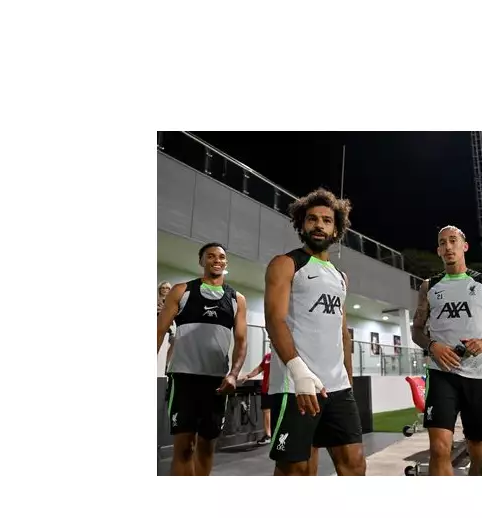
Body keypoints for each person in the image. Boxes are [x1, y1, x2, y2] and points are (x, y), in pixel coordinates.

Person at [264, 187, 366, 476]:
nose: (319, 225)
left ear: (337, 230)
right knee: (298, 470)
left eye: (326, 220)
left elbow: (342, 333)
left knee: (355, 466)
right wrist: (299, 373)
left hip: (338, 388)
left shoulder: (340, 277)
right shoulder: (285, 264)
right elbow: (274, 321)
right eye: (312, 219)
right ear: (302, 225)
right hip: (296, 385)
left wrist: (348, 379)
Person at [410, 226, 482, 475]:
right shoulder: (429, 286)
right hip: (441, 375)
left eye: (453, 241)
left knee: (479, 451)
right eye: (443, 243)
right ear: (438, 250)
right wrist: (433, 346)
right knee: (439, 449)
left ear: (465, 246)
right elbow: (416, 331)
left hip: (478, 375)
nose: (448, 246)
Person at [156, 243, 248, 475]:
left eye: (221, 257)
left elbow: (241, 342)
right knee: (184, 447)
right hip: (184, 378)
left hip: (216, 382)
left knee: (206, 447)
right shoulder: (182, 291)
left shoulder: (237, 299)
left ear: (226, 263)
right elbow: (158, 331)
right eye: (211, 256)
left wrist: (234, 374)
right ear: (201, 261)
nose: (217, 260)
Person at [238, 351, 273, 446]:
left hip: (277, 390)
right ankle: (268, 435)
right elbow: (259, 369)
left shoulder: (281, 356)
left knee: (276, 411)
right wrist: (248, 376)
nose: (271, 344)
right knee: (266, 411)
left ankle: (278, 434)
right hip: (266, 390)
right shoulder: (267, 357)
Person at [158, 281, 176, 370]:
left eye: (168, 288)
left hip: (167, 328)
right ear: (160, 289)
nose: (165, 290)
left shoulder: (172, 302)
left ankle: (165, 365)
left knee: (175, 341)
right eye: (163, 288)